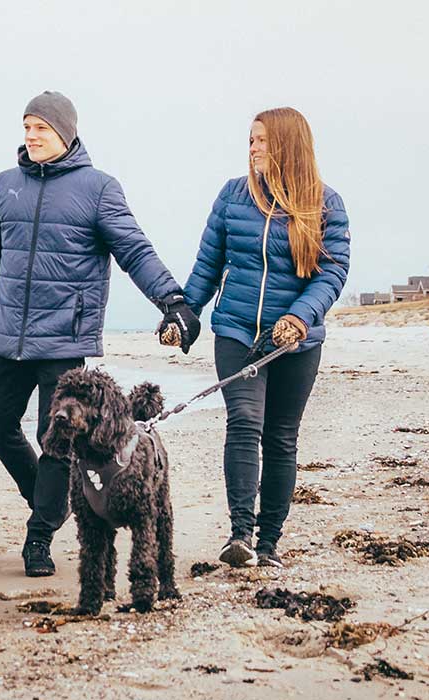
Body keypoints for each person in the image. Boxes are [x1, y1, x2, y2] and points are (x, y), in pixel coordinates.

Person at [0, 91, 197, 577]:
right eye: (25, 127)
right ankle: (53, 501)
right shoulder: (4, 187)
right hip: (6, 335)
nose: (30, 136)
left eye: (40, 127)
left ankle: (38, 537)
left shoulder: (98, 188)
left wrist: (173, 302)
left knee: (57, 441)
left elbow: (133, 250)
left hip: (64, 338)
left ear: (64, 132)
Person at [176, 107, 351, 569]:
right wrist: (183, 315)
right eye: (250, 140)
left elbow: (332, 273)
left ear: (287, 145)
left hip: (295, 341)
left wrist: (300, 318)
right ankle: (240, 535)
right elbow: (207, 267)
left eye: (261, 140)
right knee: (244, 421)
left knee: (280, 438)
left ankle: (270, 542)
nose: (252, 148)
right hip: (236, 331)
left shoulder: (325, 204)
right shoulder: (233, 197)